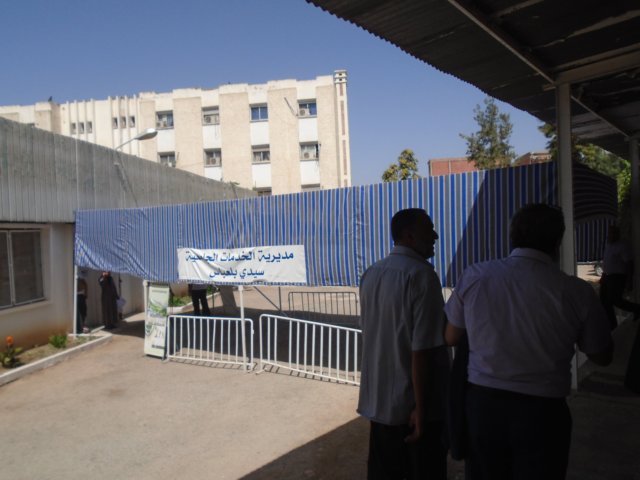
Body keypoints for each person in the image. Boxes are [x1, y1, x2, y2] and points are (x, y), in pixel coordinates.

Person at [444, 203, 613, 480]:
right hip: (544, 414)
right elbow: (601, 355)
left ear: (512, 236)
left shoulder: (476, 276)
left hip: (484, 407)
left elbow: (451, 336)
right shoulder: (577, 292)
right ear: (557, 241)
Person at [358, 208, 449, 480]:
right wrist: (421, 409)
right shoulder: (422, 276)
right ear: (409, 236)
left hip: (380, 405)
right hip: (412, 411)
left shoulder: (372, 273)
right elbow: (422, 351)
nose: (435, 236)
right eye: (429, 229)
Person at [600, 224, 640, 330]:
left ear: (618, 234)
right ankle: (611, 324)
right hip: (607, 277)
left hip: (617, 277)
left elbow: (629, 263)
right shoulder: (608, 245)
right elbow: (607, 261)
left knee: (615, 300)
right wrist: (603, 276)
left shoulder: (622, 246)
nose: (611, 235)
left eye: (613, 233)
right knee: (604, 301)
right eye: (610, 233)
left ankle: (637, 309)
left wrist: (629, 281)